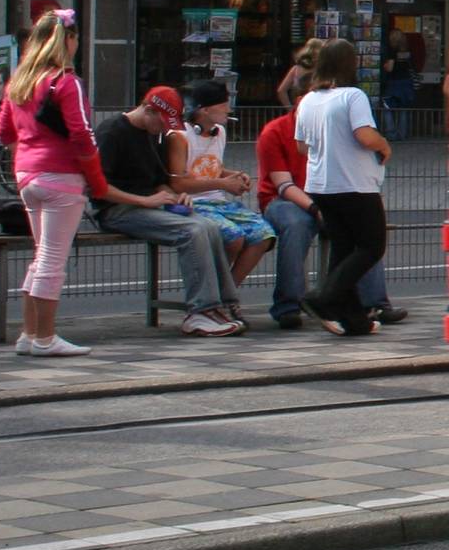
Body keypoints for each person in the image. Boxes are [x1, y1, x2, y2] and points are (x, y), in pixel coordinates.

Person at [0, 10, 179, 356]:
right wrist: (94, 180)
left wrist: (26, 159)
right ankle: (45, 338)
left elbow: (4, 131)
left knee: (39, 255)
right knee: (51, 259)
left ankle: (28, 334)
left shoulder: (18, 81)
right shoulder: (66, 82)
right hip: (61, 177)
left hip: (27, 176)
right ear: (70, 41)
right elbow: (81, 134)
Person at [91, 85, 249, 336]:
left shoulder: (151, 133)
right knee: (193, 230)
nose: (165, 129)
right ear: (149, 109)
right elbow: (97, 188)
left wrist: (176, 196)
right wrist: (144, 201)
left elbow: (158, 178)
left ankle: (223, 302)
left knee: (209, 225)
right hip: (118, 209)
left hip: (148, 203)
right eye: (163, 122)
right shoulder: (112, 132)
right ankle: (200, 310)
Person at [259, 72, 402, 330]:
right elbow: (283, 185)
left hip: (324, 193)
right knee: (297, 224)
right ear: (302, 101)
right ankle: (290, 304)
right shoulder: (275, 131)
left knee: (357, 237)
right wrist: (314, 208)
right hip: (286, 199)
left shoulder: (330, 121)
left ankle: (370, 304)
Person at [297, 38, 391, 336]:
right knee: (371, 246)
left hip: (320, 183)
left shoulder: (308, 99)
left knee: (344, 247)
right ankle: (322, 297)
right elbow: (364, 135)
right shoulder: (353, 96)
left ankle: (354, 319)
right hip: (355, 182)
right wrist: (384, 144)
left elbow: (301, 146)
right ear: (350, 64)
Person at [171, 80, 278, 289]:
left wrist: (234, 176)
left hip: (217, 201)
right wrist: (223, 183)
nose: (229, 109)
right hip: (193, 202)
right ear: (205, 110)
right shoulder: (180, 137)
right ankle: (214, 291)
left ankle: (227, 292)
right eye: (224, 105)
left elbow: (209, 168)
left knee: (264, 234)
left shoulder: (219, 132)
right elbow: (178, 183)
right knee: (233, 237)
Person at [274, 37, 325, 111]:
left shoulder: (296, 69)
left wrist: (290, 109)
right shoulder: (322, 69)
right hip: (318, 109)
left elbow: (281, 91)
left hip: (299, 108)